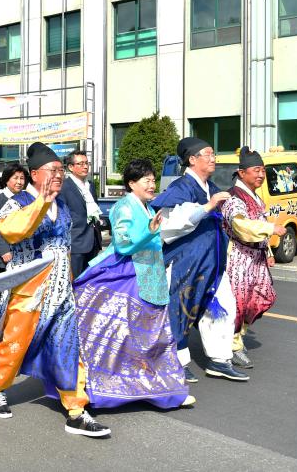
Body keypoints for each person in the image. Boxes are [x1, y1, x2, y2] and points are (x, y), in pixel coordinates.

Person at [0, 142, 109, 437]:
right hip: (29, 291)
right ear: (35, 174)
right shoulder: (17, 202)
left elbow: (66, 246)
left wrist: (71, 281)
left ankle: (76, 410)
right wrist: (41, 203)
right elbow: (12, 231)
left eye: (61, 170)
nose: (59, 175)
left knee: (68, 346)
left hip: (61, 290)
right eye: (53, 170)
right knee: (15, 343)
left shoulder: (62, 205)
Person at [71, 159, 194, 409]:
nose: (152, 184)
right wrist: (150, 230)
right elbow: (124, 243)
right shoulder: (124, 207)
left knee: (153, 336)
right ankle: (110, 388)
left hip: (151, 276)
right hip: (128, 274)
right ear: (131, 183)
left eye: (153, 179)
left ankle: (163, 390)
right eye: (146, 180)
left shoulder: (148, 207)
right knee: (123, 337)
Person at [151, 137, 248, 383]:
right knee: (180, 309)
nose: (213, 158)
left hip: (213, 262)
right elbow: (168, 226)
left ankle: (219, 359)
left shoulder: (212, 187)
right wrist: (207, 207)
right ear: (192, 159)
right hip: (185, 262)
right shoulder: (180, 188)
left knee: (224, 306)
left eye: (214, 154)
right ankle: (176, 361)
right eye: (208, 154)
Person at [221, 147, 286, 369]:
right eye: (256, 170)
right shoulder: (233, 198)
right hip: (239, 258)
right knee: (239, 303)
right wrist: (270, 228)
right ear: (242, 173)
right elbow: (240, 226)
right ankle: (232, 347)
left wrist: (268, 252)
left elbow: (258, 222)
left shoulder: (255, 197)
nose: (261, 175)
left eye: (263, 171)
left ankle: (237, 338)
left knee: (261, 297)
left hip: (256, 258)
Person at [0, 162, 28, 331]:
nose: (19, 182)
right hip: (2, 254)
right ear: (7, 180)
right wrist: (4, 251)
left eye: (22, 178)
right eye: (15, 178)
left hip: (22, 253)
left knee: (17, 290)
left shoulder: (26, 199)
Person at [60, 150, 102, 277]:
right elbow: (63, 216)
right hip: (75, 243)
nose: (85, 166)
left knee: (89, 281)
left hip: (93, 241)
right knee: (76, 281)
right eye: (80, 163)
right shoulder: (64, 187)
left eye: (86, 163)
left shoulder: (90, 186)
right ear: (71, 167)